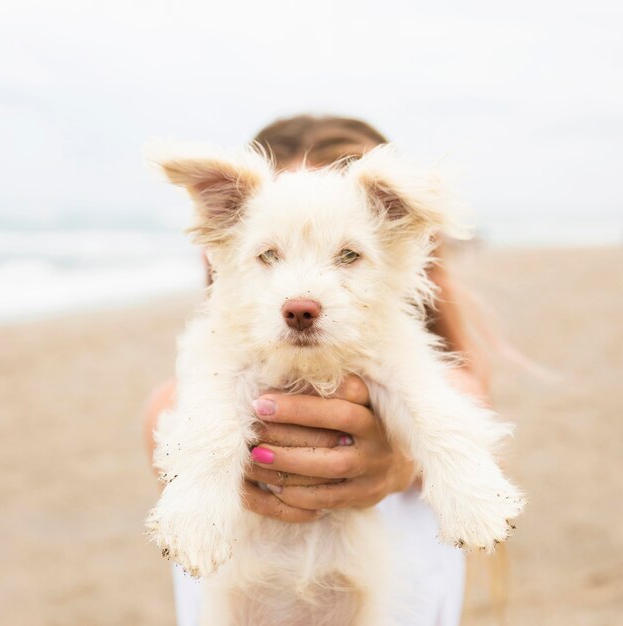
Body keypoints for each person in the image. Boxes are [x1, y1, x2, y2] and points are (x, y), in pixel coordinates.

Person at [143, 114, 490, 626]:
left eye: (347, 254)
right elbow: (171, 410)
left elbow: (454, 394)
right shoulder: (216, 355)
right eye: (269, 254)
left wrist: (402, 460)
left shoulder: (403, 348)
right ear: (223, 245)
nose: (301, 295)